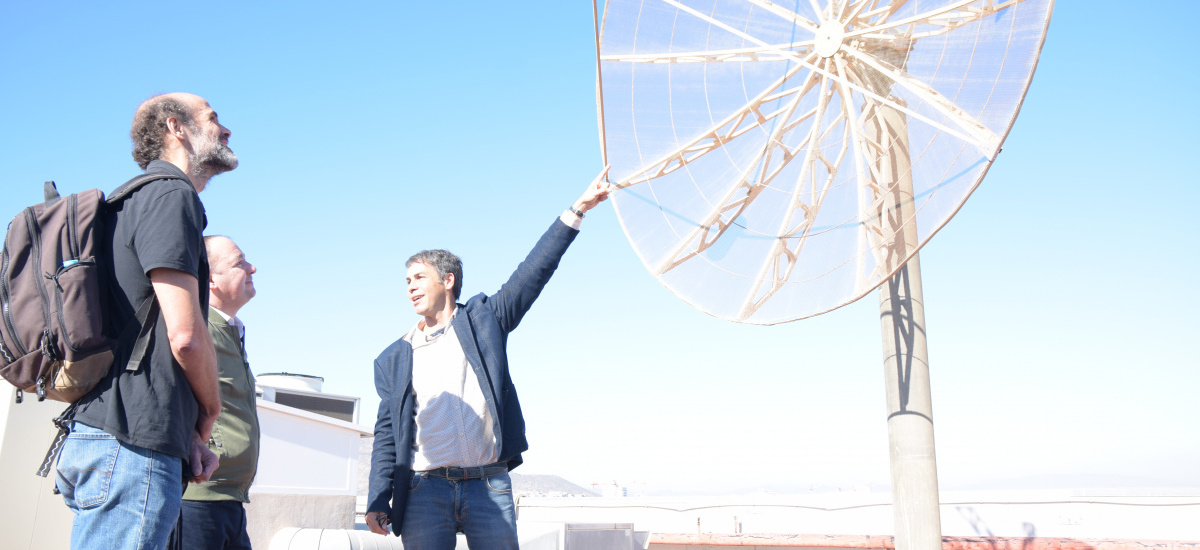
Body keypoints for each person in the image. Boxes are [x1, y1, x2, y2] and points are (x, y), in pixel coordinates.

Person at [366, 167, 613, 549]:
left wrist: (578, 208)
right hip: (423, 491)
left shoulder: (485, 321)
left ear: (447, 281)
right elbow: (387, 433)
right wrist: (378, 497)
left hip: (489, 486)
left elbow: (532, 273)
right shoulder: (394, 357)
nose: (410, 286)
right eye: (407, 281)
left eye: (418, 277)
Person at [55, 93, 236, 550]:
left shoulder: (128, 202)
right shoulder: (171, 195)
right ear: (177, 127)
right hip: (130, 448)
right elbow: (186, 337)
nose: (226, 129)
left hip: (106, 436)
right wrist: (209, 413)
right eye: (213, 119)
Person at [170, 235, 261, 550]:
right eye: (239, 263)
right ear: (209, 279)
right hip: (197, 500)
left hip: (230, 502)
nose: (253, 268)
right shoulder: (195, 329)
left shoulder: (229, 329)